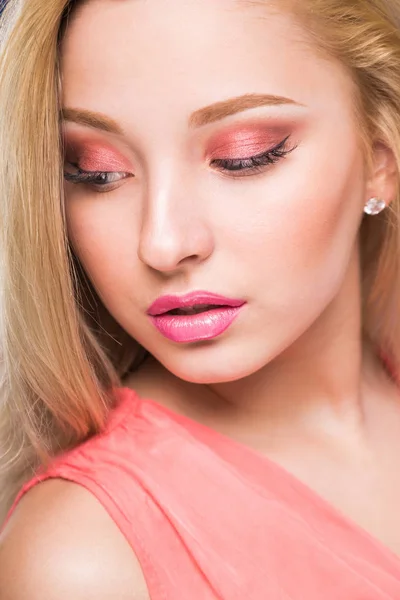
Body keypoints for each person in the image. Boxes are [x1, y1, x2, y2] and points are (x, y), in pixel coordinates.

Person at [0, 0, 400, 597]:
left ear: (378, 158)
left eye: (243, 156)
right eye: (96, 172)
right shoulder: (86, 560)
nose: (163, 243)